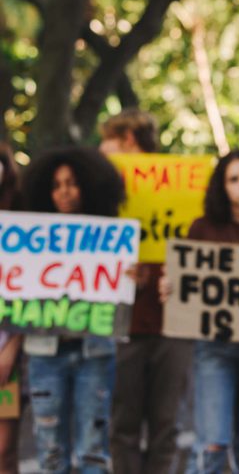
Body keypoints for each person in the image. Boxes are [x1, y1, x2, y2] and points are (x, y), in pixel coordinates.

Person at [158, 150, 239, 474]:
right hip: (214, 347)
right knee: (212, 443)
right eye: (234, 179)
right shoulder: (202, 229)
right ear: (223, 188)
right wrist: (171, 289)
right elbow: (186, 283)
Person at [99, 110, 195, 474]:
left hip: (173, 325)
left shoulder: (183, 188)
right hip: (125, 324)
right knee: (122, 423)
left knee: (165, 424)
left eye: (108, 144)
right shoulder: (105, 194)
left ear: (128, 141)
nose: (102, 153)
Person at [22, 147, 125, 474]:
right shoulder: (26, 239)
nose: (64, 192)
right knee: (50, 451)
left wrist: (132, 275)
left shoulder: (111, 237)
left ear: (90, 186)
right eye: (55, 185)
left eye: (72, 183)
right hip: (44, 354)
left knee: (93, 451)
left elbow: (118, 294)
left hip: (94, 352)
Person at [0, 143, 23, 473]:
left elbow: (29, 294)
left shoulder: (22, 227)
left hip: (6, 354)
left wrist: (11, 350)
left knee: (3, 450)